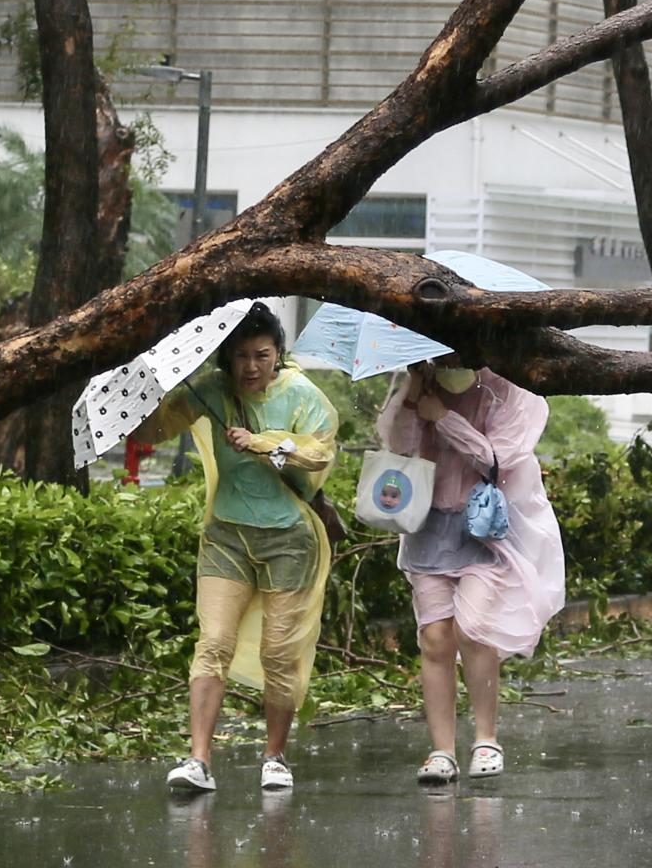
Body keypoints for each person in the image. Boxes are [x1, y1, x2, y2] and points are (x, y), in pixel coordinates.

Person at [127, 302, 339, 794]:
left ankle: (275, 757)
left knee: (279, 654)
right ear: (225, 358)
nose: (250, 367)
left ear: (278, 354)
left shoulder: (302, 394)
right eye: (240, 356)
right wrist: (157, 389)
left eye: (262, 355)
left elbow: (320, 452)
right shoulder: (211, 391)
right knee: (213, 644)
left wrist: (266, 443)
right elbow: (152, 431)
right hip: (227, 536)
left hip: (289, 540)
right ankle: (198, 760)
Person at [377, 355, 565, 785]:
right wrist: (411, 396)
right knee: (434, 638)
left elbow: (497, 459)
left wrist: (443, 418)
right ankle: (442, 750)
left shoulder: (505, 386)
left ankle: (486, 738)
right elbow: (398, 445)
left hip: (484, 527)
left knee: (473, 628)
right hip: (428, 526)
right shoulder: (421, 378)